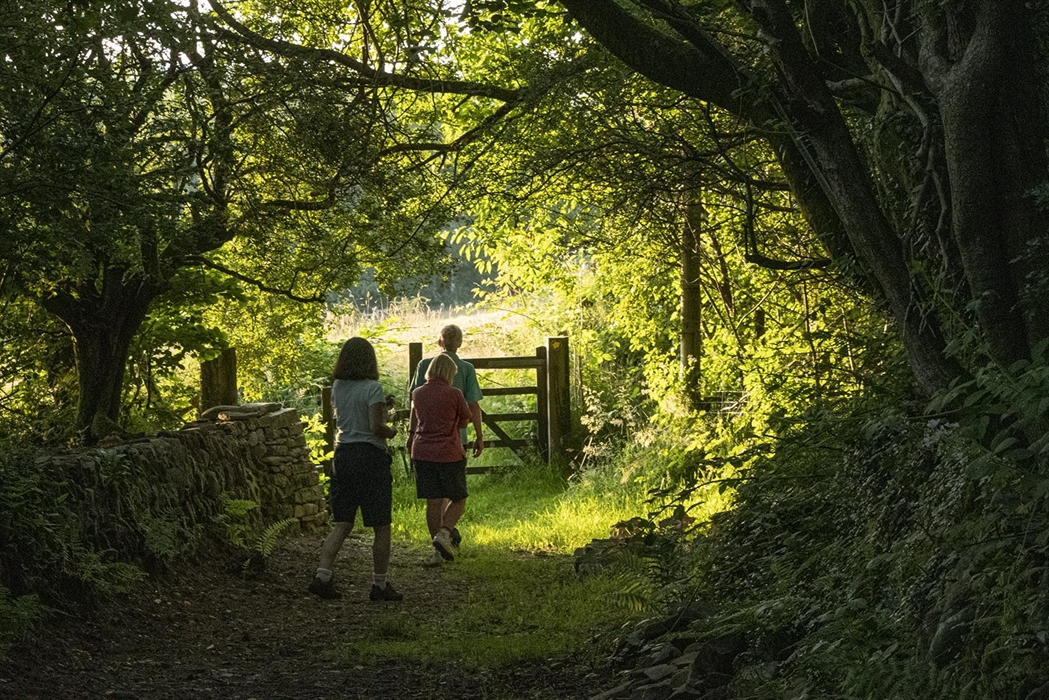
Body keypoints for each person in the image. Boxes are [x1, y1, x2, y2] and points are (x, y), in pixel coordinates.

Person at [308, 337, 402, 602]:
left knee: (342, 522)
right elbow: (376, 426)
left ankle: (322, 576)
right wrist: (392, 429)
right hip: (370, 457)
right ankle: (379, 585)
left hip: (344, 454)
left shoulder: (338, 386)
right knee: (381, 525)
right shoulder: (373, 388)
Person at [408, 324, 483, 551]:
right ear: (460, 342)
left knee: (434, 497)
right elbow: (473, 406)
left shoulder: (423, 366)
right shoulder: (466, 369)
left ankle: (440, 543)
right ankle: (445, 533)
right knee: (456, 492)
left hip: (424, 441)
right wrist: (479, 435)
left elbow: (414, 405)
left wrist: (411, 435)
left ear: (439, 342)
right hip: (453, 440)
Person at [407, 353, 472, 565]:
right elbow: (464, 420)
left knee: (433, 502)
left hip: (423, 452)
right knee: (458, 498)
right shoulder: (454, 394)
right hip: (449, 452)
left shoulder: (417, 393)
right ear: (448, 373)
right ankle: (444, 535)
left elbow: (414, 422)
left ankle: (436, 552)